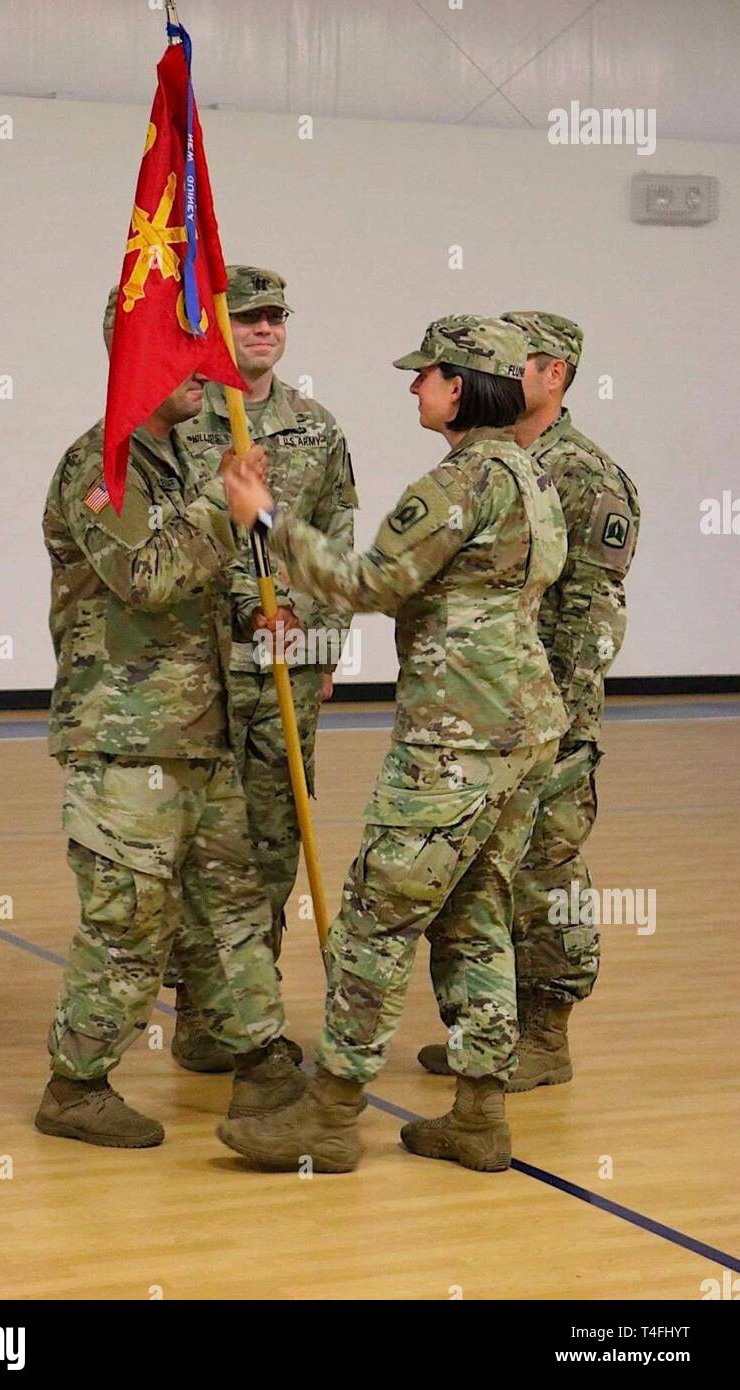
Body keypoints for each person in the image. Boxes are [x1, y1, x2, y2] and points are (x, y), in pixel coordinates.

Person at [216, 315, 568, 1173]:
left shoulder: (461, 483)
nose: (415, 387)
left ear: (463, 387)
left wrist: (265, 520)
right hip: (523, 727)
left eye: (427, 375)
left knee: (376, 919)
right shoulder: (529, 471)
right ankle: (480, 1115)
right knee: (477, 916)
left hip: (456, 737)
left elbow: (370, 581)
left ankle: (330, 1117)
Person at [34, 288, 304, 1149]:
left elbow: (199, 580)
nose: (209, 370)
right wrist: (220, 513)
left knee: (233, 906)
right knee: (130, 925)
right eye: (185, 353)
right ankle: (76, 1085)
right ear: (136, 361)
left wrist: (262, 608)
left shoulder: (180, 461)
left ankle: (262, 1065)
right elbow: (145, 578)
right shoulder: (103, 466)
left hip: (201, 729)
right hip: (127, 738)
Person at [418, 312, 640, 1091]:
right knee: (482, 874)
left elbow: (592, 614)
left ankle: (547, 1031)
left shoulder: (585, 475)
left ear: (555, 376)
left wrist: (566, 723)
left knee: (546, 872)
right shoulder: (496, 462)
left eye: (525, 364)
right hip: (486, 718)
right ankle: (493, 1033)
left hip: (547, 720)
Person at [165, 265, 358, 1073]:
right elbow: (181, 540)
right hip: (205, 668)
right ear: (219, 327)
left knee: (276, 846)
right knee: (207, 850)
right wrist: (253, 608)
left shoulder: (316, 428)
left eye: (275, 317)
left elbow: (339, 542)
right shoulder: (180, 420)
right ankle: (206, 1018)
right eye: (248, 319)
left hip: (287, 667)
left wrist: (319, 646)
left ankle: (254, 1010)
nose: (265, 330)